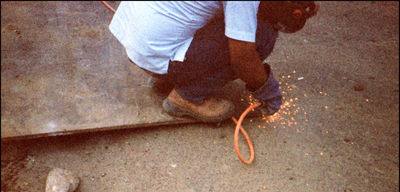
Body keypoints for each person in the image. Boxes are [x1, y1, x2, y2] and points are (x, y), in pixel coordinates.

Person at [109, 1, 319, 123]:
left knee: (216, 15)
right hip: (155, 51)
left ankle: (167, 76)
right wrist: (267, 90)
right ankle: (186, 96)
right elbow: (243, 57)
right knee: (262, 36)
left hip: (134, 39)